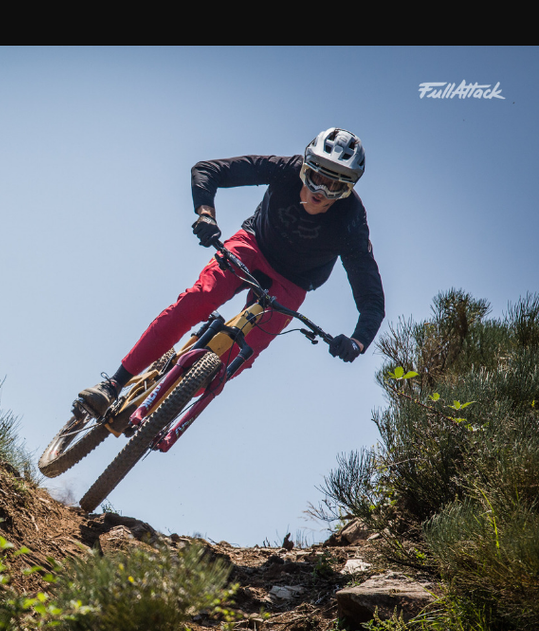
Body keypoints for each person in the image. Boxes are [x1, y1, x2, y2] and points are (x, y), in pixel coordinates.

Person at [78, 127, 385, 418]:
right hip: (253, 246)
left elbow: (371, 299)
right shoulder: (284, 170)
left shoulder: (351, 223)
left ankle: (165, 402)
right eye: (316, 176)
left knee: (240, 356)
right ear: (305, 166)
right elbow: (207, 169)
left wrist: (357, 342)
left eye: (334, 185)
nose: (320, 190)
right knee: (199, 299)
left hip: (294, 282)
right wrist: (205, 215)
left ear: (347, 190)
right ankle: (113, 385)